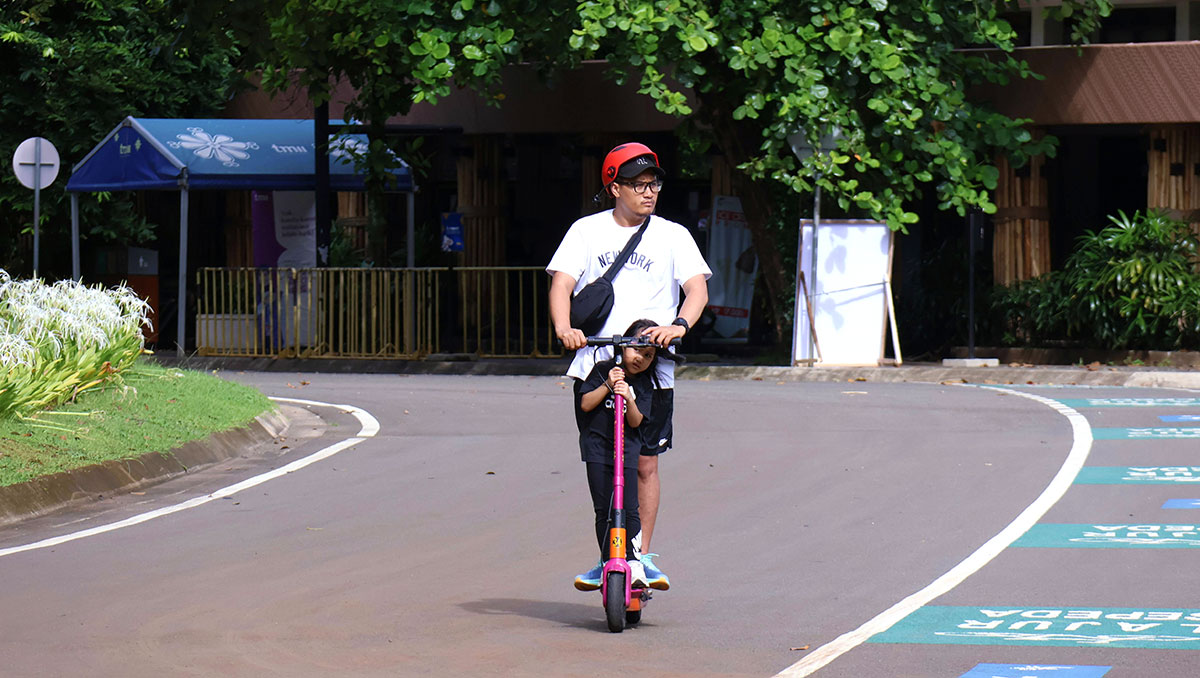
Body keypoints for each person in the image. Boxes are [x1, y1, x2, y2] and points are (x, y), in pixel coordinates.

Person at [547, 142, 711, 591]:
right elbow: (562, 283)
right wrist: (565, 327)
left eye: (654, 184)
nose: (648, 192)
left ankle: (641, 558)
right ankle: (608, 555)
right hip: (598, 363)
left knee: (645, 465)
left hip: (650, 365)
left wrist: (678, 324)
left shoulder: (673, 235)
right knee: (602, 466)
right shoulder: (585, 232)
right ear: (614, 187)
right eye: (638, 185)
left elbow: (696, 289)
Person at [573, 319, 668, 591]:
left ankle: (633, 560)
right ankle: (606, 561)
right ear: (624, 345)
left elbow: (637, 421)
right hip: (598, 449)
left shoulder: (644, 384)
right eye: (637, 350)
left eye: (649, 356)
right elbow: (586, 403)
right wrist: (608, 385)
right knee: (604, 509)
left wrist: (628, 397)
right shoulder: (603, 370)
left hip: (626, 451)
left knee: (628, 509)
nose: (641, 358)